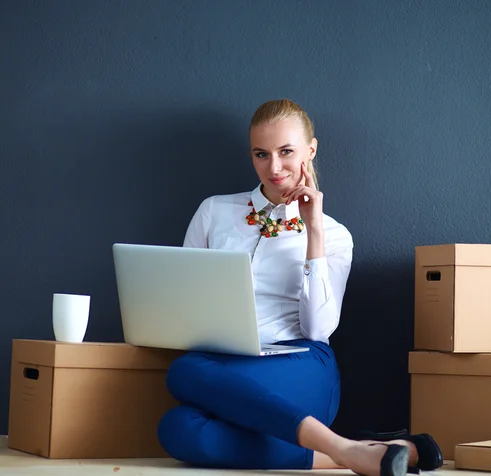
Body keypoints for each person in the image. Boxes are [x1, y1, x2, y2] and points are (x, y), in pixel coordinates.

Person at [157, 99, 442, 476]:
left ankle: (339, 447)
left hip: (301, 363)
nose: (274, 168)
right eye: (261, 154)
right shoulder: (214, 212)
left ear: (311, 149)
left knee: (183, 374)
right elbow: (184, 298)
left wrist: (314, 232)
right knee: (177, 426)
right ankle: (353, 452)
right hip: (225, 365)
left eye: (286, 152)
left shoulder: (336, 235)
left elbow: (319, 328)